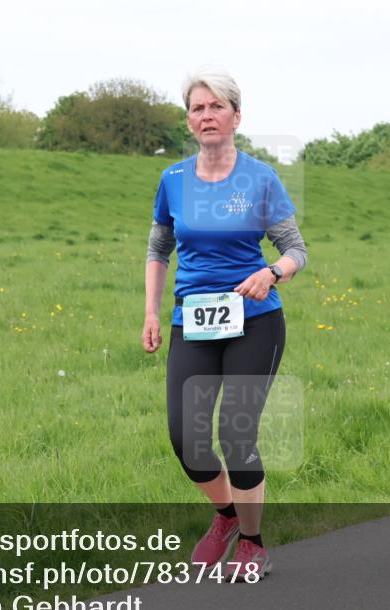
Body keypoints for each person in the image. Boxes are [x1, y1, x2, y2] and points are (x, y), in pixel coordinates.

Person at [142, 66, 307, 582]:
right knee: (186, 438)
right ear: (189, 120)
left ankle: (253, 543)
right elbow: (159, 249)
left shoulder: (260, 178)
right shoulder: (173, 180)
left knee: (236, 432)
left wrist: (272, 272)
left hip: (254, 319)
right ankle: (227, 515)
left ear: (236, 116)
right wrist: (151, 312)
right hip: (192, 321)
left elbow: (295, 249)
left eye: (217, 106)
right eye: (198, 108)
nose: (207, 115)